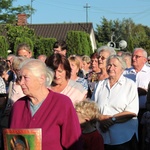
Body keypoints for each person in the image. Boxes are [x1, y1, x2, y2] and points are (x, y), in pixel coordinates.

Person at [9, 59, 82, 150]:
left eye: (25, 78)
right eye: (20, 78)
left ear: (41, 79)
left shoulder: (62, 103)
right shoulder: (18, 106)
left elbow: (74, 143)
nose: (21, 82)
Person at [92, 55, 139, 150]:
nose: (111, 68)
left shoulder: (130, 85)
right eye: (109, 65)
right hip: (102, 136)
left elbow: (132, 111)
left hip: (123, 137)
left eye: (114, 65)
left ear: (122, 69)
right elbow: (92, 107)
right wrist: (100, 118)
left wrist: (111, 120)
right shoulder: (100, 85)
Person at [124, 48, 150, 149]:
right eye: (133, 56)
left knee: (143, 138)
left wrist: (145, 91)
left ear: (144, 59)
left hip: (143, 112)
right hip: (127, 112)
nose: (134, 58)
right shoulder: (125, 73)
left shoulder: (149, 72)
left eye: (137, 56)